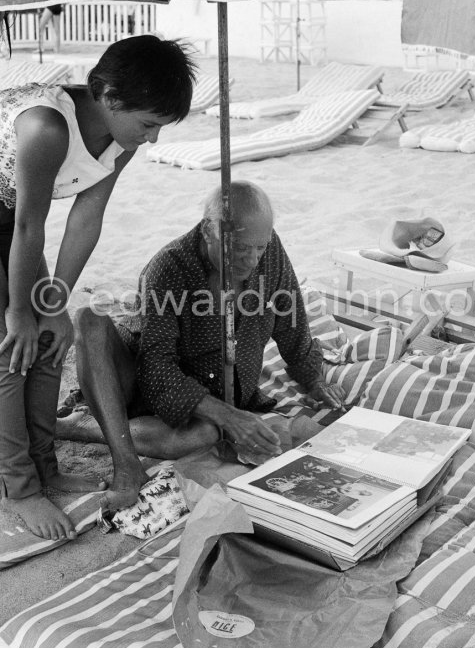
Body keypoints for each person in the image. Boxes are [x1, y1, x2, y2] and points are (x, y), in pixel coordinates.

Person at [0, 34, 196, 542]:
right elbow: (30, 227)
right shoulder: (45, 128)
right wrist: (20, 311)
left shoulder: (120, 139)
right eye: (148, 123)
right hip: (16, 223)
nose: (151, 139)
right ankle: (19, 489)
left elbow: (87, 218)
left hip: (12, 224)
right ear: (109, 97)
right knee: (9, 351)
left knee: (50, 340)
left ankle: (44, 466)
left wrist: (52, 304)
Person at [56, 181, 346, 514]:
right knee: (89, 319)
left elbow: (291, 316)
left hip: (201, 406)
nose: (252, 260)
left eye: (260, 248)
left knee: (204, 436)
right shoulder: (168, 267)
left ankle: (84, 426)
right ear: (210, 231)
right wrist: (229, 416)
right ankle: (124, 461)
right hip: (136, 384)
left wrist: (313, 378)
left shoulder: (267, 248)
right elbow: (155, 370)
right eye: (240, 248)